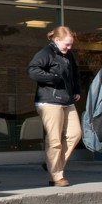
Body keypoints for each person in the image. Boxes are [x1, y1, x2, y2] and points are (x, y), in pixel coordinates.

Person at [27, 26, 83, 187]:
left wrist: (76, 90)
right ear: (56, 40)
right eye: (67, 44)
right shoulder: (46, 53)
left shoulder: (68, 54)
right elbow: (32, 70)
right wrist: (54, 78)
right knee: (54, 140)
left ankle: (53, 163)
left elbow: (74, 73)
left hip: (66, 100)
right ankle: (56, 176)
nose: (69, 47)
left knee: (75, 134)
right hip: (49, 101)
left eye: (71, 44)